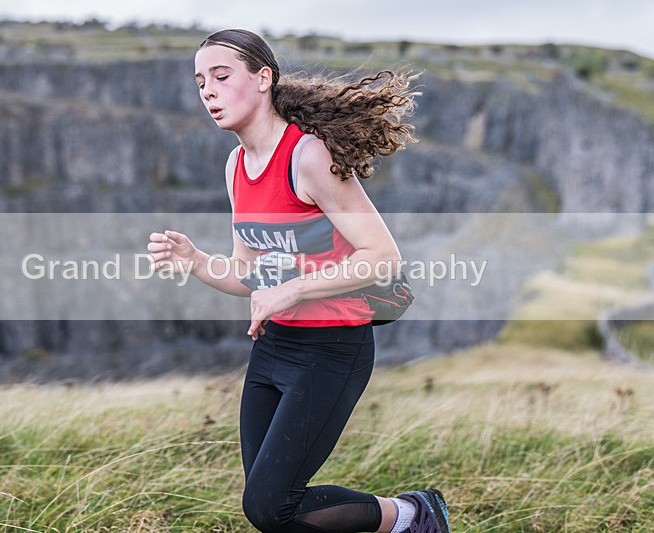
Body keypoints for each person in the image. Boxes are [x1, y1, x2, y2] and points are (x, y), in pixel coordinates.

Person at [147, 29, 449, 533]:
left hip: (332, 349)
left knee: (271, 506)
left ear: (263, 78)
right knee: (272, 510)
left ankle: (413, 514)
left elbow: (382, 257)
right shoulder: (236, 165)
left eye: (221, 77)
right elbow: (251, 274)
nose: (208, 92)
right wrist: (197, 261)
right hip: (273, 348)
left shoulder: (307, 157)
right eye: (200, 82)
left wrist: (293, 289)